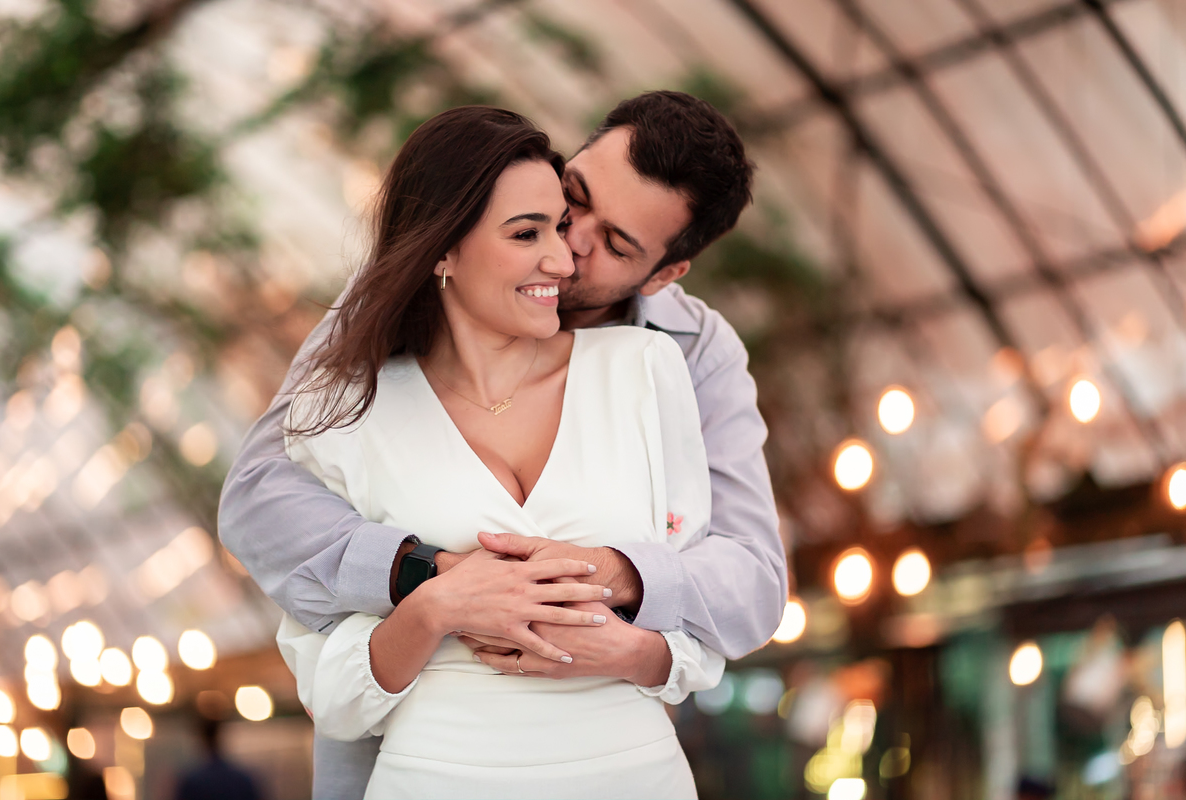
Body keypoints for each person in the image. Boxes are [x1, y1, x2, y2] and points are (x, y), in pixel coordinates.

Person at [219, 91, 786, 798]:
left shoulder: (684, 358)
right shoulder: (385, 314)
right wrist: (440, 577)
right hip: (396, 758)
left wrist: (608, 576)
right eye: (573, 199)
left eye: (614, 244)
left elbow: (753, 582)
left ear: (665, 274)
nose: (569, 245)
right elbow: (258, 498)